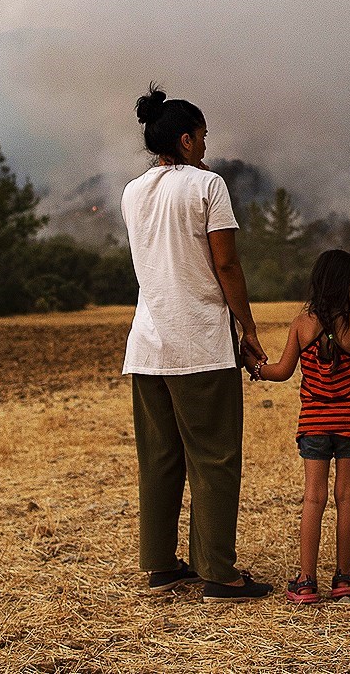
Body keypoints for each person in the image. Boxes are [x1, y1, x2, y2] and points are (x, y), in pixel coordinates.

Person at [122, 84, 271, 602]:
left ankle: (161, 564)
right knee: (214, 457)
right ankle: (219, 573)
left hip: (147, 345)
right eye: (203, 137)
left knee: (160, 457)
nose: (206, 146)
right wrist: (248, 329)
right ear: (186, 139)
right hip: (200, 344)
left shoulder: (131, 191)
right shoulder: (208, 187)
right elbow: (225, 264)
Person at [255, 249, 350, 604]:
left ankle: (306, 580)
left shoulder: (301, 323)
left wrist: (255, 366)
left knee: (314, 497)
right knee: (346, 496)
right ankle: (343, 577)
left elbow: (281, 371)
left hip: (313, 423)